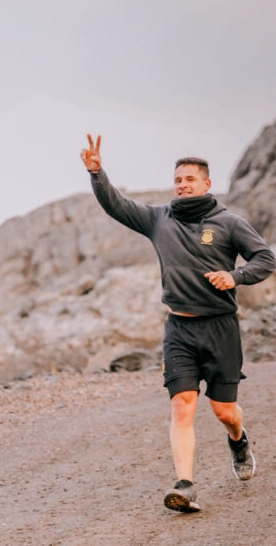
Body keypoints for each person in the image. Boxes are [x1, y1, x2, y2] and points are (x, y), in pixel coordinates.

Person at [81, 135, 276, 512]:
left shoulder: (229, 223)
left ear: (206, 183)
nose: (183, 185)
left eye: (190, 179)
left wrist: (236, 277)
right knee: (182, 405)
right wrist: (97, 173)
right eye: (178, 180)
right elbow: (117, 206)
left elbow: (265, 258)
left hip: (220, 328)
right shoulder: (159, 220)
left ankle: (238, 439)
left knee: (223, 410)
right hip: (179, 330)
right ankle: (185, 485)